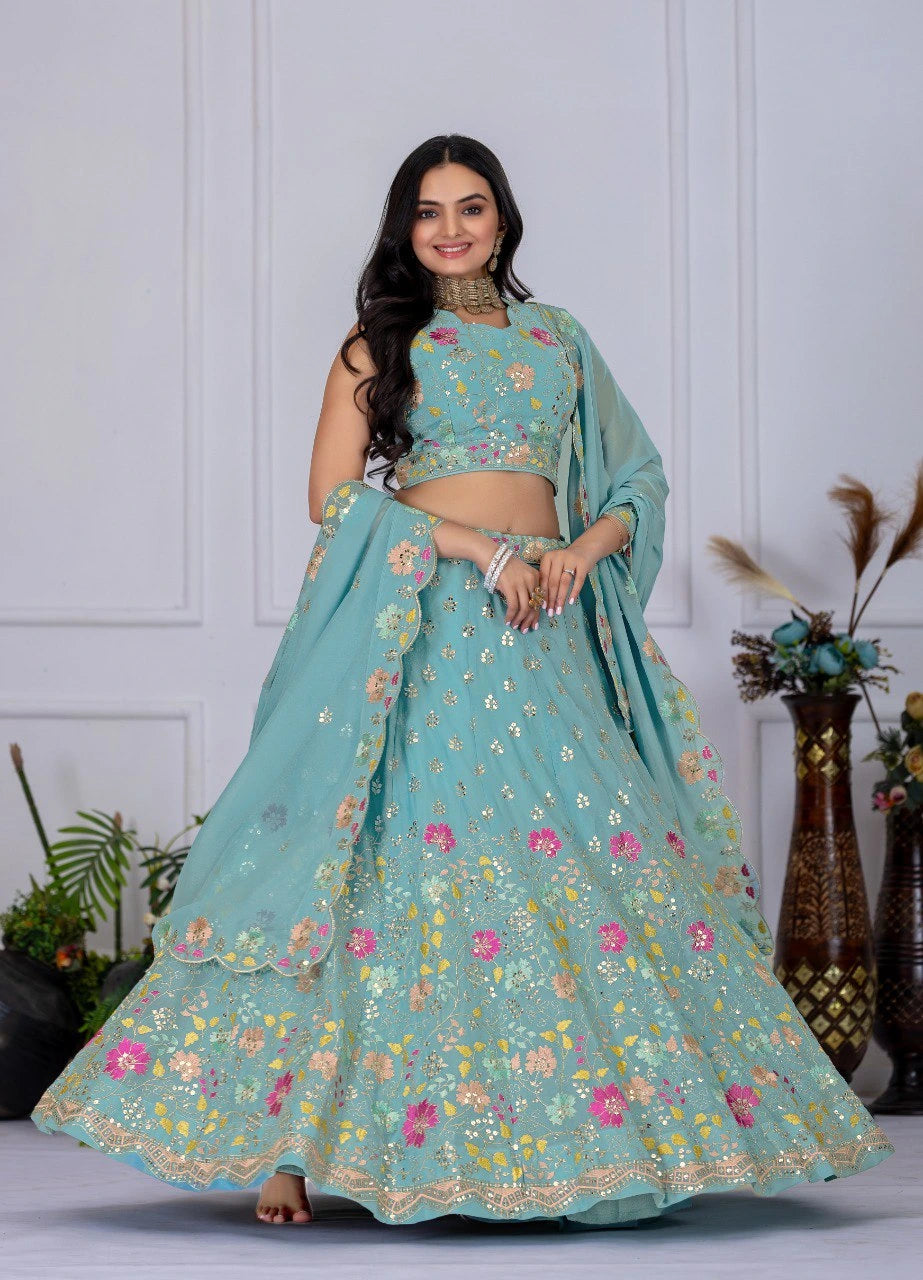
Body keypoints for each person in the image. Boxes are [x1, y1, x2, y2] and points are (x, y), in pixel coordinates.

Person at [31, 134, 895, 1230]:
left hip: (548, 624)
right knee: (385, 863)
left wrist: (579, 551)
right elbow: (332, 498)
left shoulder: (557, 337)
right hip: (432, 621)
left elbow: (635, 477)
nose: (450, 229)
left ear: (502, 219)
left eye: (470, 206)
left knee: (583, 852)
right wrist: (476, 549)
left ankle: (581, 1137)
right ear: (405, 228)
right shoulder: (379, 344)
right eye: (429, 211)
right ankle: (294, 1143)